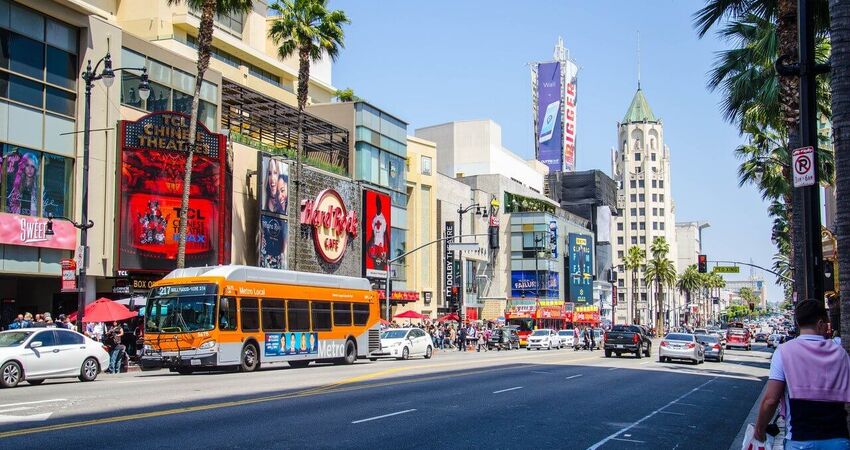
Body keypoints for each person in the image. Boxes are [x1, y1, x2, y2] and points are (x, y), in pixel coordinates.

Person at [753, 299, 850, 449]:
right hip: (837, 438)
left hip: (800, 439)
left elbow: (771, 399)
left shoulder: (784, 352)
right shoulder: (840, 353)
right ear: (820, 323)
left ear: (798, 323)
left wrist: (760, 429)